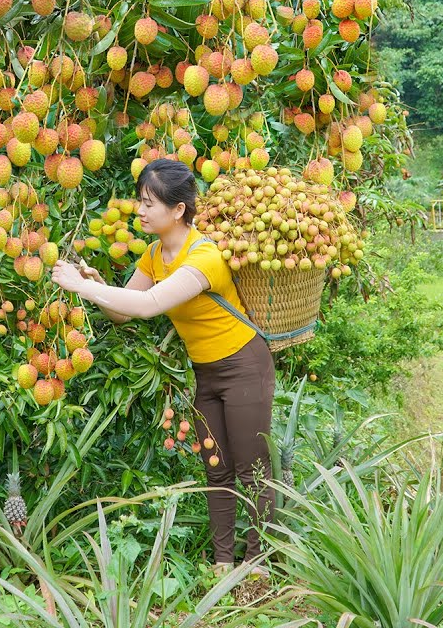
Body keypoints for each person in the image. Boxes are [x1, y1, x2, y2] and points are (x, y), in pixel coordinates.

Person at [50, 159, 276, 577]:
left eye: (148, 203)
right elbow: (125, 312)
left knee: (252, 467)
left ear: (177, 210)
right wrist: (99, 283)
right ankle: (224, 561)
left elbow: (151, 305)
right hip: (206, 371)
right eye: (139, 201)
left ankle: (260, 561)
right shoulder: (154, 254)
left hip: (245, 365)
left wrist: (82, 287)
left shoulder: (204, 256)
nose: (139, 210)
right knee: (216, 465)